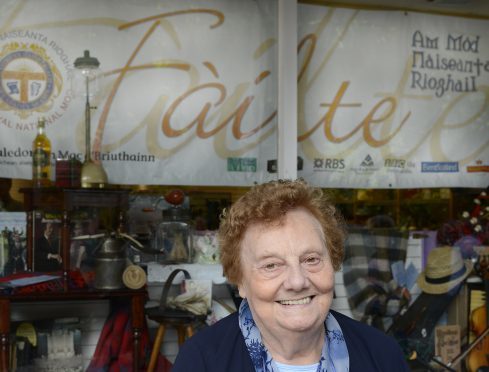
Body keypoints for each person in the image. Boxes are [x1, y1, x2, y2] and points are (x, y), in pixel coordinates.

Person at [172, 179, 410, 371]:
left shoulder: (381, 355)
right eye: (272, 265)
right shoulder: (202, 361)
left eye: (311, 260)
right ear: (240, 281)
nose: (297, 281)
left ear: (333, 262)